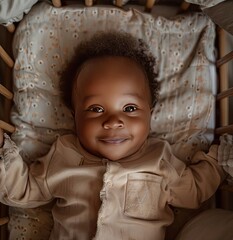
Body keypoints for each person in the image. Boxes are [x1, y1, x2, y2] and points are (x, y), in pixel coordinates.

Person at [0, 31, 228, 240]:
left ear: (150, 113)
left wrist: (220, 158)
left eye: (129, 108)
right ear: (74, 116)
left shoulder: (159, 159)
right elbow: (25, 191)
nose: (112, 122)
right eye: (96, 109)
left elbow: (194, 190)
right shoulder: (63, 154)